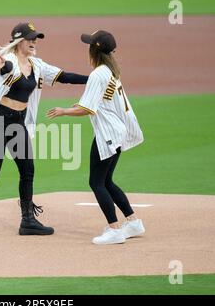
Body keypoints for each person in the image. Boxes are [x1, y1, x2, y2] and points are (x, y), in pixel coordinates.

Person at [0, 22, 88, 239]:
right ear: (18, 41)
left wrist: (94, 80)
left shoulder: (37, 64)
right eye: (30, 38)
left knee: (28, 169)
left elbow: (64, 76)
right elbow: (6, 70)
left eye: (36, 38)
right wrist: (3, 65)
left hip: (18, 123)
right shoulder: (10, 62)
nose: (34, 42)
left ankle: (28, 221)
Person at [47, 30, 145, 245]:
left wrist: (64, 111)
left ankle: (114, 229)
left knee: (96, 182)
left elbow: (87, 110)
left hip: (108, 135)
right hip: (118, 132)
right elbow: (101, 103)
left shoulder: (98, 74)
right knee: (106, 181)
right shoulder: (111, 71)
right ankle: (133, 222)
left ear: (94, 50)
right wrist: (81, 106)